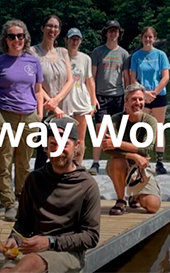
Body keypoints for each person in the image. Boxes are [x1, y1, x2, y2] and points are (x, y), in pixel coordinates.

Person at [0, 117, 100, 273]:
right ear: (45, 147)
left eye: (64, 144)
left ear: (76, 146)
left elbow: (91, 236)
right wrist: (14, 239)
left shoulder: (87, 184)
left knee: (30, 263)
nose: (58, 150)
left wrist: (51, 242)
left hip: (67, 252)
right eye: (53, 144)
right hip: (32, 247)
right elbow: (23, 223)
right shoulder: (34, 179)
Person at [0, 19, 44, 222]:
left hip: (29, 116)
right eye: (12, 36)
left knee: (24, 162)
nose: (16, 40)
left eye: (20, 36)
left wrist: (39, 115)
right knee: (4, 161)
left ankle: (22, 199)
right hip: (5, 114)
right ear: (6, 39)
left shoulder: (33, 62)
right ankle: (8, 203)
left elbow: (38, 90)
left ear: (25, 38)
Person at [104, 83, 162, 215]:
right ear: (126, 101)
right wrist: (134, 156)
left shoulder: (150, 121)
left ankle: (134, 196)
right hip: (125, 162)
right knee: (117, 161)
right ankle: (121, 200)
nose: (138, 103)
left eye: (141, 99)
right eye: (134, 99)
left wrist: (118, 143)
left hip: (141, 167)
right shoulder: (115, 120)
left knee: (153, 206)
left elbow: (146, 149)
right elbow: (108, 149)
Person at [30, 15, 73, 170]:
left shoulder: (63, 52)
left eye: (56, 27)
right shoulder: (33, 52)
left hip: (63, 108)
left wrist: (57, 100)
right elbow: (35, 83)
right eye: (49, 26)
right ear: (43, 28)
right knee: (43, 151)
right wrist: (52, 104)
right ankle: (38, 187)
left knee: (64, 149)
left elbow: (70, 80)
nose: (52, 30)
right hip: (44, 108)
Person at [90, 20, 130, 175]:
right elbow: (92, 77)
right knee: (99, 131)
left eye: (116, 31)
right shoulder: (97, 52)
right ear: (106, 33)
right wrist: (92, 98)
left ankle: (117, 161)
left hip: (118, 96)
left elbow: (126, 79)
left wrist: (127, 99)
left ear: (119, 33)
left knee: (116, 132)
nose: (113, 34)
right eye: (110, 31)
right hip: (101, 96)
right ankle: (95, 163)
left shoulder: (124, 54)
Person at [130, 26, 170, 175]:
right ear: (142, 38)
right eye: (145, 37)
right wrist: (144, 93)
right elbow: (133, 78)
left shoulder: (161, 55)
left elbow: (165, 77)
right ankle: (142, 158)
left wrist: (155, 92)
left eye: (150, 37)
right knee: (142, 128)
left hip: (158, 95)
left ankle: (160, 161)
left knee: (159, 127)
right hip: (142, 96)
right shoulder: (136, 56)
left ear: (154, 38)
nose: (148, 39)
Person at [64, 28, 99, 166]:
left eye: (77, 39)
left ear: (81, 41)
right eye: (72, 38)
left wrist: (93, 101)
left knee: (80, 138)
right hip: (65, 103)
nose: (74, 41)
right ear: (66, 40)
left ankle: (78, 165)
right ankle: (66, 164)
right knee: (65, 137)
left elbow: (89, 81)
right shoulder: (61, 56)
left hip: (81, 101)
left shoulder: (86, 59)